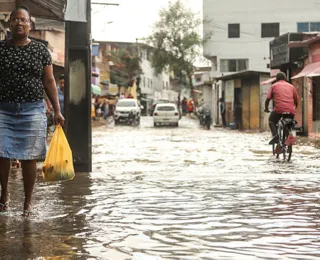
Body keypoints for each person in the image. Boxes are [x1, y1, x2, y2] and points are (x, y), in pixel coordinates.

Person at [0, 6, 64, 216]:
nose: (19, 23)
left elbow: (49, 81)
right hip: (3, 109)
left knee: (30, 157)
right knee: (1, 153)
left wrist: (57, 109)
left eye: (23, 20)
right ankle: (5, 194)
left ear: (30, 24)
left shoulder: (40, 50)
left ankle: (28, 203)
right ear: (9, 24)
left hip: (33, 110)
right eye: (15, 19)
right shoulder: (1, 49)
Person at [264, 72, 298, 144]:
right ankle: (288, 134)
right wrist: (294, 109)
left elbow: (268, 99)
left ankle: (275, 136)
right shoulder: (291, 86)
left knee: (271, 120)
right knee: (289, 122)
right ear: (285, 78)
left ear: (276, 79)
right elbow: (296, 101)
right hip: (291, 111)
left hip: (279, 110)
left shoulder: (274, 86)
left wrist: (266, 108)